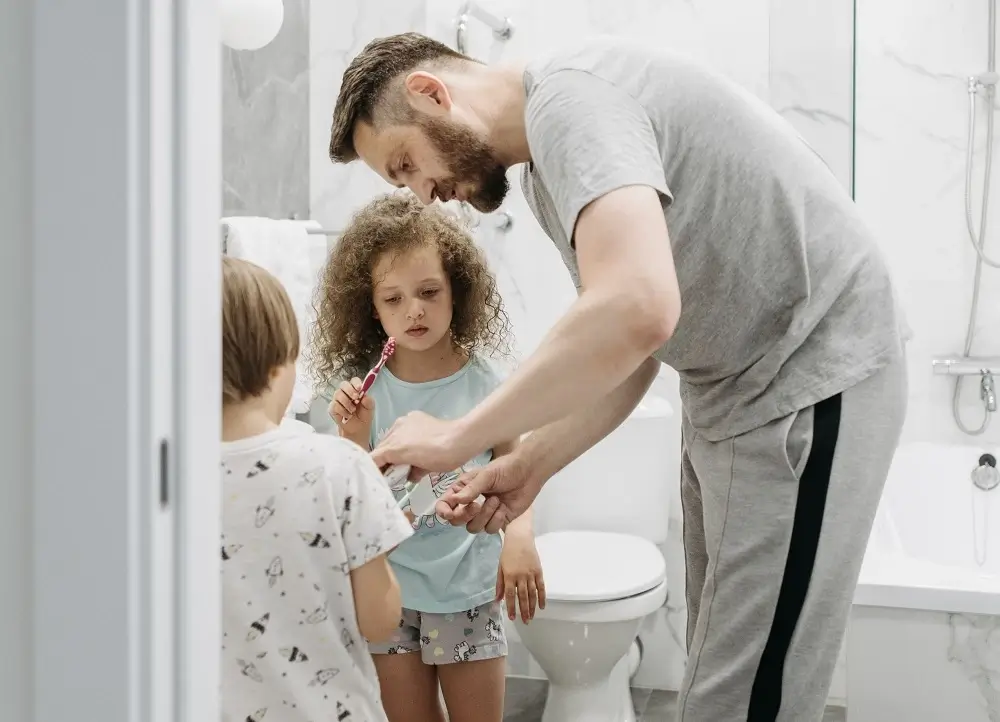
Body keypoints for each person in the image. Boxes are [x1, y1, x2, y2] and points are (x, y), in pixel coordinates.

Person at [325, 32, 910, 722]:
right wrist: (532, 464)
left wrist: (457, 437)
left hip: (808, 373)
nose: (423, 195)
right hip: (739, 391)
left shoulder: (571, 104)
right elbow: (628, 345)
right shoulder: (550, 165)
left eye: (406, 164)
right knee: (726, 663)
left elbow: (637, 308)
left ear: (431, 93)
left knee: (748, 689)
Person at [308, 192, 546, 722]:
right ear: (371, 308)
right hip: (389, 593)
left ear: (455, 291)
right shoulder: (358, 392)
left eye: (428, 292)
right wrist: (355, 437)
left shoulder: (487, 382)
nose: (412, 309)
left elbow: (518, 467)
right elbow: (352, 504)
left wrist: (521, 541)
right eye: (392, 299)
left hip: (467, 588)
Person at [220, 256, 414, 722]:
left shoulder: (160, 482)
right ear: (277, 367)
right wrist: (375, 540)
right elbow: (380, 619)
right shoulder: (341, 465)